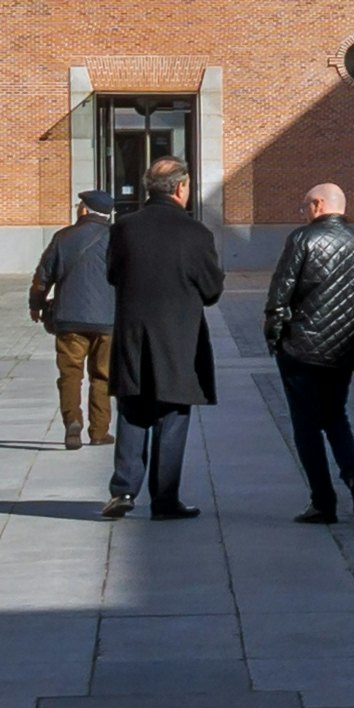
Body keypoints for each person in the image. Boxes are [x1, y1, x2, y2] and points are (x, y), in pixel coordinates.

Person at [103, 156, 226, 523]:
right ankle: (165, 498)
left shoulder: (124, 227)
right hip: (178, 337)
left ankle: (123, 490)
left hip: (133, 333)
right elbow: (211, 290)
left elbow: (113, 274)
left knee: (132, 410)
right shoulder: (195, 233)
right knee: (172, 415)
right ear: (180, 187)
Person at [260, 182, 354, 525]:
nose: (303, 213)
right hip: (343, 348)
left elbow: (280, 293)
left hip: (301, 348)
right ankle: (353, 475)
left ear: (317, 205)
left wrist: (274, 336)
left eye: (304, 207)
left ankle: (323, 500)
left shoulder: (303, 239)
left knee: (306, 426)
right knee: (336, 415)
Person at [29, 186, 121, 470]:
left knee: (70, 374)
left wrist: (36, 305)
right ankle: (99, 431)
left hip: (69, 319)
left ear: (83, 209)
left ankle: (73, 421)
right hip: (108, 320)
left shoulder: (63, 237)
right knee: (102, 376)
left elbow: (43, 276)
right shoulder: (118, 239)